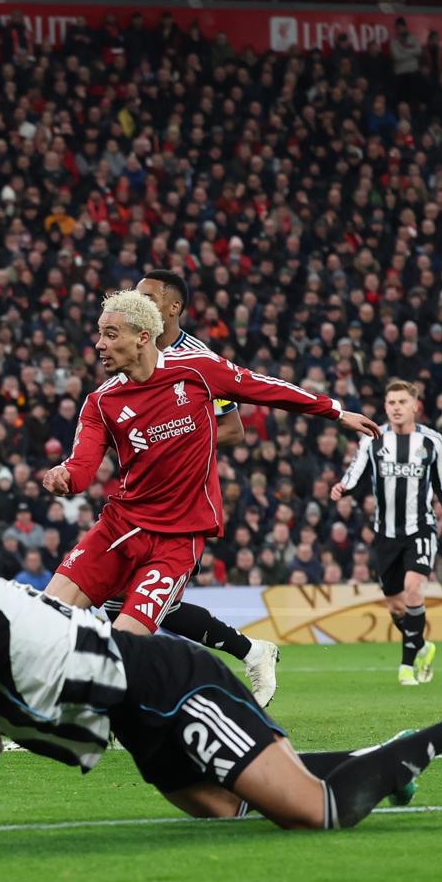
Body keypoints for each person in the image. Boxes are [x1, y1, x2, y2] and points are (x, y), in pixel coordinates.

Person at [0, 522, 442, 846]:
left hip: (172, 684)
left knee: (311, 814)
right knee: (224, 809)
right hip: (137, 713)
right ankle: (376, 768)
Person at [40, 291, 379, 636]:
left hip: (178, 537)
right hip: (122, 526)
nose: (99, 344)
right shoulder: (100, 402)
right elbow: (81, 467)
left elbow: (264, 388)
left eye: (110, 334)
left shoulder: (196, 369)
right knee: (45, 618)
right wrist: (64, 476)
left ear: (143, 337)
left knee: (125, 644)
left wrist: (335, 412)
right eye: (100, 333)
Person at [129, 269, 282, 704]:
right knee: (144, 603)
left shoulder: (198, 359)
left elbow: (233, 430)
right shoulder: (131, 349)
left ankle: (120, 708)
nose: (137, 304)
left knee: (139, 603)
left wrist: (171, 434)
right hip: (141, 497)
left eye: (147, 297)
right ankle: (251, 651)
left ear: (173, 307)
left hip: (182, 502)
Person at [332, 379, 442, 685]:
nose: (397, 408)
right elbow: (356, 473)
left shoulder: (432, 442)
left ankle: (406, 666)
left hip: (421, 529)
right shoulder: (372, 439)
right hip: (385, 534)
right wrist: (343, 487)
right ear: (385, 407)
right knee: (396, 605)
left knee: (414, 589)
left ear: (415, 405)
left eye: (402, 402)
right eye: (391, 403)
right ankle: (423, 647)